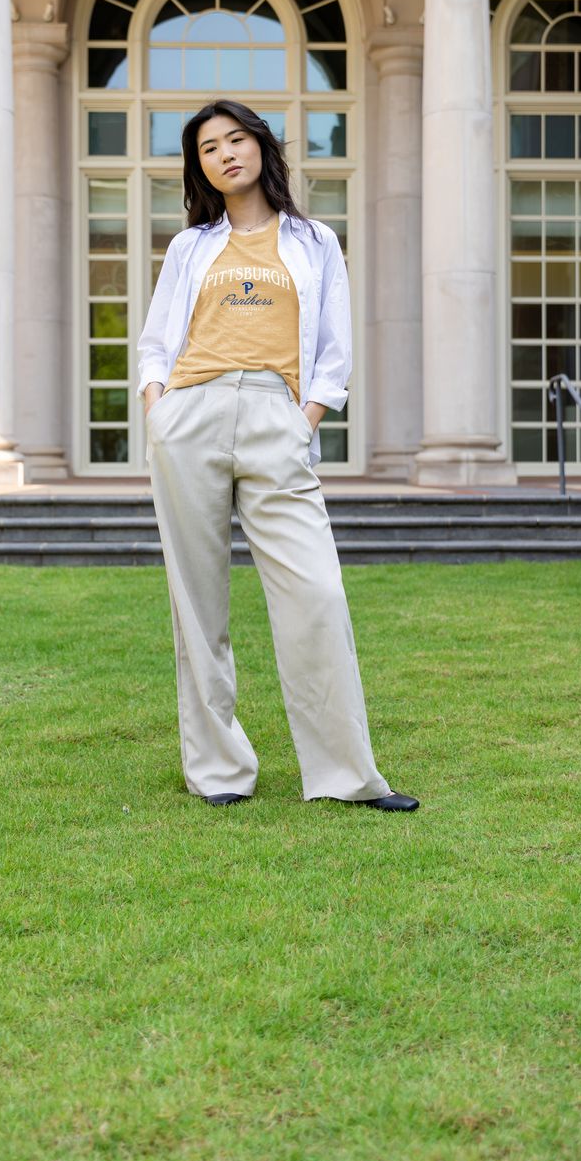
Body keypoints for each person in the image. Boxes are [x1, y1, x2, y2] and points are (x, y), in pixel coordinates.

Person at [137, 99, 418, 812]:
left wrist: (305, 420)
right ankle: (218, 770)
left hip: (275, 414)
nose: (225, 154)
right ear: (199, 167)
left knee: (316, 593)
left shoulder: (314, 240)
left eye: (236, 139)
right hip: (190, 415)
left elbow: (334, 349)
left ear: (261, 146)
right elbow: (156, 341)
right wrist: (157, 408)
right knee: (197, 605)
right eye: (208, 148)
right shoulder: (189, 247)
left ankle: (347, 775)